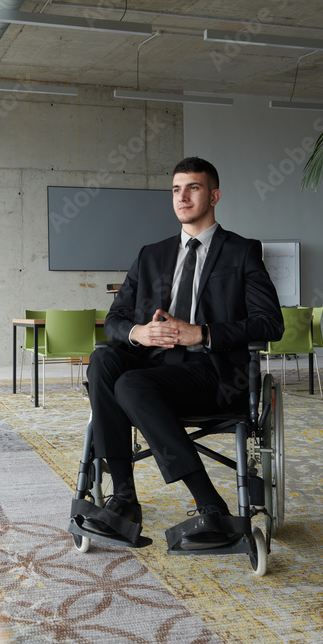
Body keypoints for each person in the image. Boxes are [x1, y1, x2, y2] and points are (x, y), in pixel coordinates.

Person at [81, 156, 284, 549]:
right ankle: (124, 499)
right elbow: (114, 319)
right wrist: (139, 332)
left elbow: (270, 323)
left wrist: (202, 333)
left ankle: (211, 505)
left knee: (132, 385)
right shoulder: (151, 255)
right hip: (153, 366)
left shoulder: (241, 252)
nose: (182, 196)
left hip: (212, 373)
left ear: (214, 195)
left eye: (193, 187)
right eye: (176, 189)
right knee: (105, 359)